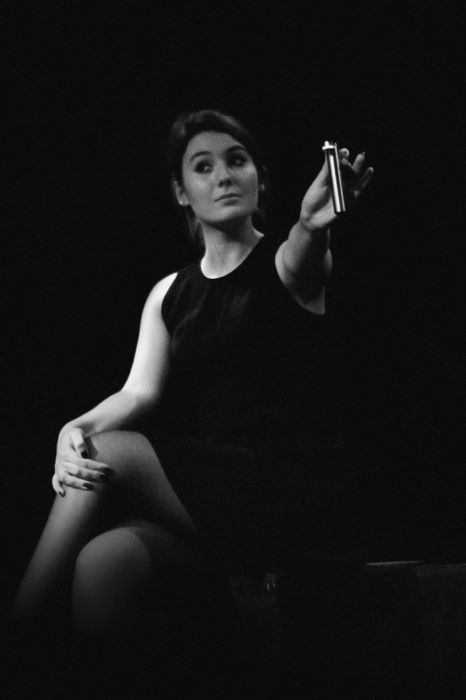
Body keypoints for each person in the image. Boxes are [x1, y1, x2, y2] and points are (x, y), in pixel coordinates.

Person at [12, 109, 374, 691]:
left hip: (296, 495)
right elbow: (138, 392)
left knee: (108, 451)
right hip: (217, 509)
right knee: (104, 563)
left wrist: (312, 225)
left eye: (237, 160)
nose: (224, 175)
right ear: (182, 192)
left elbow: (305, 253)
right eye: (203, 167)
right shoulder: (169, 293)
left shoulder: (286, 263)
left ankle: (19, 633)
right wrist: (69, 429)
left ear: (259, 178)